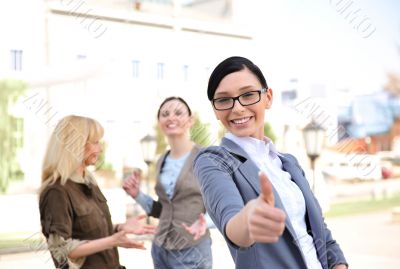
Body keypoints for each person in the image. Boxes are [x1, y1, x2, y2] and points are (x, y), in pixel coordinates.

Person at [193, 56, 348, 269]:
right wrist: (248, 219)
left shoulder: (289, 164)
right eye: (223, 99)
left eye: (248, 95)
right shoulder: (213, 160)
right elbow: (232, 223)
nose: (237, 108)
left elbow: (321, 233)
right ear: (215, 109)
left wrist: (338, 265)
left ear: (268, 97)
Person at [39, 115, 156, 269]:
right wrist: (113, 241)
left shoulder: (88, 182)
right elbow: (61, 250)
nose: (100, 148)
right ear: (75, 145)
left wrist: (118, 229)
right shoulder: (56, 191)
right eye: (95, 143)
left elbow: (86, 231)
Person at [123, 97, 213, 269]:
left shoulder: (205, 158)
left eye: (178, 113)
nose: (171, 117)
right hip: (160, 248)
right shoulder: (162, 159)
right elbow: (162, 210)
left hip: (192, 250)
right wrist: (137, 195)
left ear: (190, 120)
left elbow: (221, 206)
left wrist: (206, 222)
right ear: (159, 122)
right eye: (165, 114)